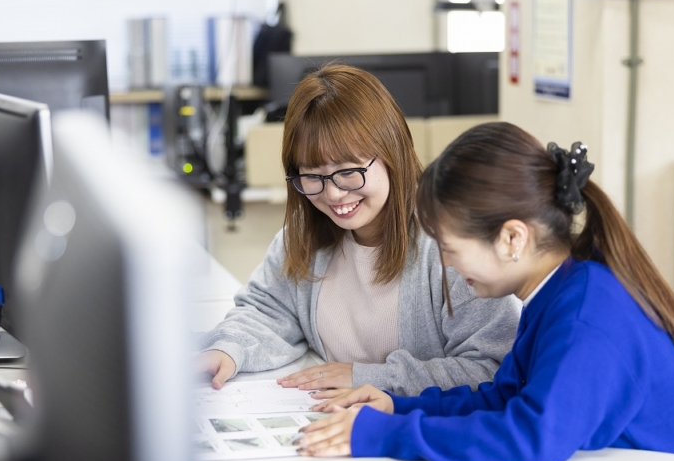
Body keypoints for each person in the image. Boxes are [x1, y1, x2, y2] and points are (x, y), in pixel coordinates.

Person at [298, 121, 674, 461]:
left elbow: (531, 437)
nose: (446, 265)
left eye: (452, 250)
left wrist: (385, 435)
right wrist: (398, 405)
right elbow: (506, 398)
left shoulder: (587, 312)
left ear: (512, 238)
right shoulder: (562, 289)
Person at [198, 66, 518, 397]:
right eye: (313, 176)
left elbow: (493, 368)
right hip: (331, 425)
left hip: (407, 434)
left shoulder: (450, 244)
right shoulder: (304, 231)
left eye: (348, 172)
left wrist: (369, 377)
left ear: (392, 152)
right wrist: (228, 349)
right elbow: (268, 311)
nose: (334, 194)